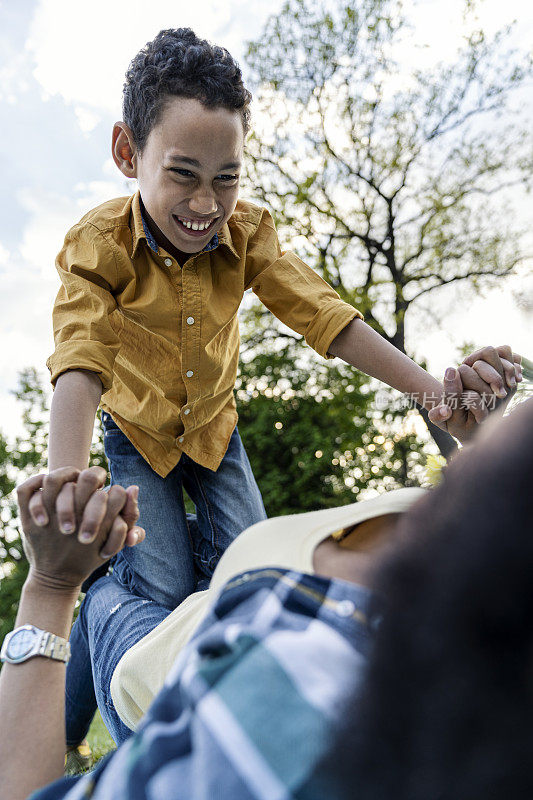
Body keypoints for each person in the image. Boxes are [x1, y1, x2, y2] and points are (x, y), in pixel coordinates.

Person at [42, 25, 521, 753]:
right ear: (127, 154)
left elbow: (323, 316)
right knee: (162, 597)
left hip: (213, 429)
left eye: (225, 177)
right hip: (135, 434)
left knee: (256, 581)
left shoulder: (248, 235)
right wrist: (69, 481)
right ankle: (101, 603)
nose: (206, 203)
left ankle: (115, 626)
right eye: (182, 174)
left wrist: (432, 394)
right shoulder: (98, 244)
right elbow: (80, 354)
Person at [1, 401, 531, 800]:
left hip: (151, 656)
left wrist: (50, 586)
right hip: (222, 586)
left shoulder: (297, 711)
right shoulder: (471, 558)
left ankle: (70, 722)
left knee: (104, 589)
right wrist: (473, 445)